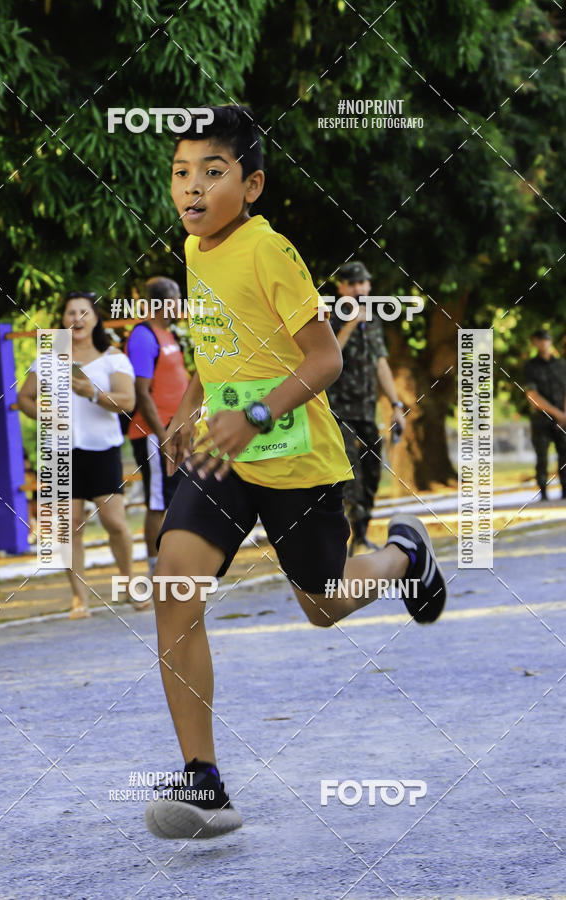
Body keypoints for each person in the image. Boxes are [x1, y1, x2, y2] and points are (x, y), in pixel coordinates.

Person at [143, 105, 447, 841]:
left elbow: (323, 357)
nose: (191, 188)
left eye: (211, 173)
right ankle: (204, 784)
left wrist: (252, 417)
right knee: (173, 583)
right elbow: (227, 352)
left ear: (250, 186)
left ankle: (405, 555)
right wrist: (193, 405)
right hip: (229, 459)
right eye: (181, 172)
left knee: (322, 604)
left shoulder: (267, 250)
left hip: (297, 460)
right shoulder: (195, 251)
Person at [18, 291, 142, 618]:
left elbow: (127, 402)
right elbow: (25, 398)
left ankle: (130, 584)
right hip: (61, 452)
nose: (77, 319)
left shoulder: (113, 357)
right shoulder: (49, 357)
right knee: (69, 525)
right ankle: (80, 598)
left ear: (96, 318)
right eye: (70, 313)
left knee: (114, 522)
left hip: (102, 449)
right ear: (62, 320)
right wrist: (45, 413)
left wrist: (92, 393)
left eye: (83, 312)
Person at [327, 261, 405, 553]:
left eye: (363, 284)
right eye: (352, 284)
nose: (358, 289)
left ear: (369, 286)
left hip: (366, 410)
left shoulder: (373, 319)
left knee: (372, 472)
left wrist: (396, 404)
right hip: (337, 411)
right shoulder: (329, 317)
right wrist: (349, 324)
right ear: (342, 288)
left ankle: (361, 534)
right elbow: (328, 356)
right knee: (352, 476)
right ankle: (353, 538)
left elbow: (380, 363)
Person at [125, 276, 192, 577]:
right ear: (166, 302)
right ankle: (156, 569)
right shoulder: (143, 336)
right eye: (178, 299)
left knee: (178, 497)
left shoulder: (170, 334)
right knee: (157, 501)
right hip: (154, 434)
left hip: (175, 431)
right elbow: (142, 391)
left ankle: (176, 562)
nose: (180, 305)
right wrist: (163, 435)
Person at [523, 328, 566, 500]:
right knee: (542, 457)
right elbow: (532, 396)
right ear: (534, 343)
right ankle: (544, 494)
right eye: (539, 340)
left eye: (545, 339)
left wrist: (564, 415)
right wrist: (556, 413)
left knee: (564, 455)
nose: (543, 343)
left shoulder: (561, 365)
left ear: (550, 341)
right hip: (541, 419)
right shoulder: (530, 367)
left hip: (563, 418)